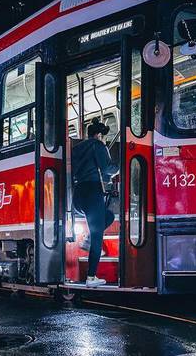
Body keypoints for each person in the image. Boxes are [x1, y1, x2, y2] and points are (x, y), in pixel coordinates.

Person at [71, 117, 119, 287]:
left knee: (108, 216)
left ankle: (88, 239)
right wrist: (120, 166)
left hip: (78, 194)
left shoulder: (77, 148)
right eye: (103, 137)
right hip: (92, 192)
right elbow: (107, 168)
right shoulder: (97, 145)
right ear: (99, 135)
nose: (104, 140)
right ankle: (91, 277)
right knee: (98, 234)